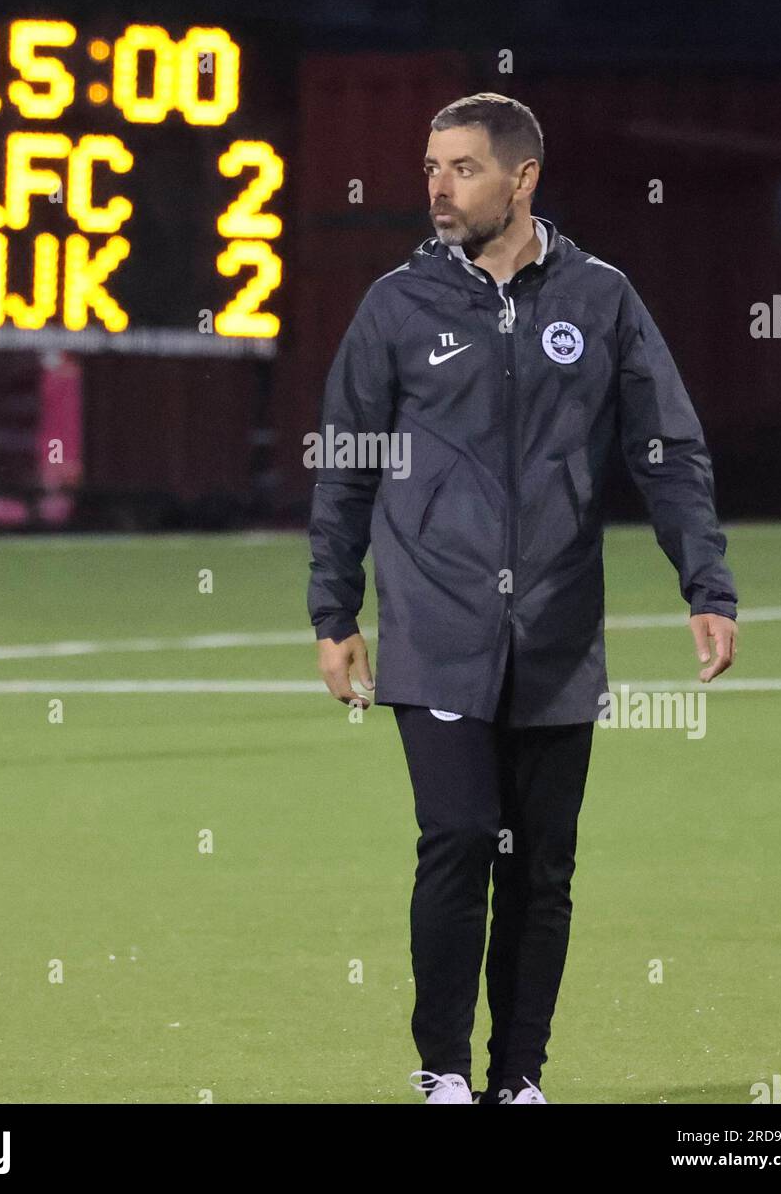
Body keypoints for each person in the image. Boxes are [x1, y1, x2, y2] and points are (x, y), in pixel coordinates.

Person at [306, 92, 738, 1105]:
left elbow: (665, 450)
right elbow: (345, 468)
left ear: (522, 178)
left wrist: (705, 583)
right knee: (457, 835)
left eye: (460, 168)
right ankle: (445, 1070)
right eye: (430, 167)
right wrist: (333, 612)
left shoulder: (601, 300)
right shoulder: (395, 307)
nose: (437, 187)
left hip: (554, 630)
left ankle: (520, 1078)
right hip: (436, 624)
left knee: (541, 868)